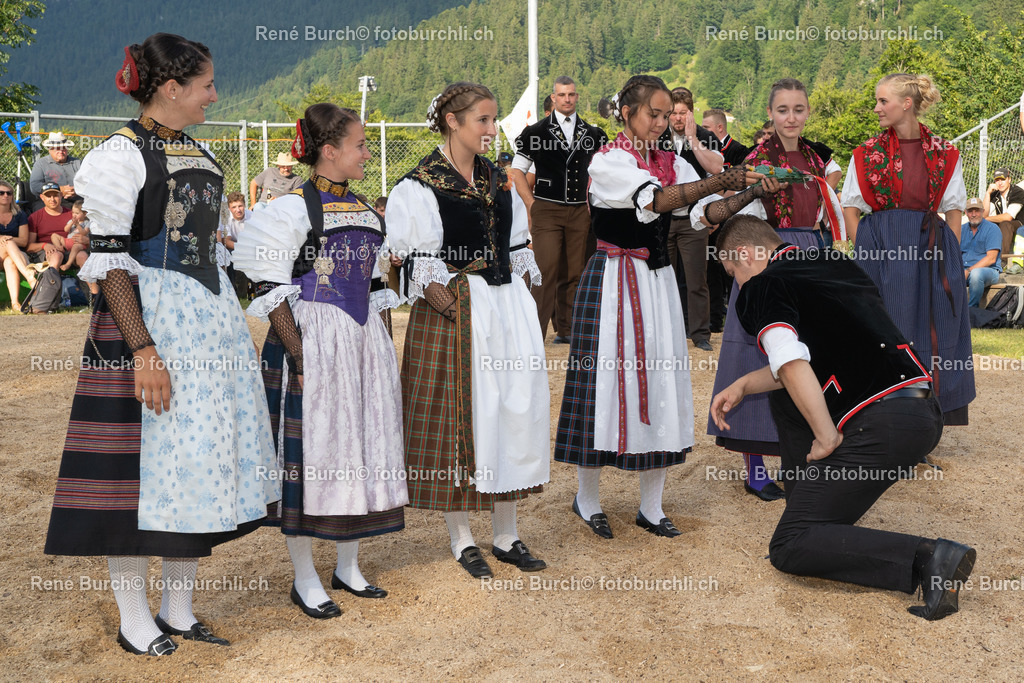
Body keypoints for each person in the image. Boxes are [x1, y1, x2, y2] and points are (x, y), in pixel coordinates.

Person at [43, 33, 278, 657]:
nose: (214, 96)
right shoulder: (120, 155)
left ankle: (177, 609)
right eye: (206, 85)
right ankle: (133, 618)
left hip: (207, 318)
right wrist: (142, 349)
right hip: (147, 324)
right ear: (171, 88)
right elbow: (111, 262)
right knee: (138, 474)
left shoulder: (196, 148)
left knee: (191, 464)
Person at [710, 215, 976, 622]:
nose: (737, 285)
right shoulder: (833, 263)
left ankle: (930, 557)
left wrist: (825, 435)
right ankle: (809, 517)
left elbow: (790, 361)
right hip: (921, 410)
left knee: (789, 545)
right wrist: (745, 384)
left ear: (745, 255)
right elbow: (814, 357)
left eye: (733, 273)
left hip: (881, 421)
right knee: (787, 400)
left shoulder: (763, 284)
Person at [554, 75, 761, 539]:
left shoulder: (672, 161)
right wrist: (718, 179)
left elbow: (701, 214)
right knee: (601, 382)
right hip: (612, 279)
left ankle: (651, 506)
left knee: (661, 378)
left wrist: (746, 194)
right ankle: (587, 498)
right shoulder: (608, 160)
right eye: (654, 113)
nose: (663, 122)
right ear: (628, 113)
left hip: (658, 282)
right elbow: (657, 199)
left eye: (667, 115)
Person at [233, 103, 408, 618]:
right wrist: (300, 354)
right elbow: (268, 286)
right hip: (312, 339)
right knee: (311, 453)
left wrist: (382, 349)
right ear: (329, 151)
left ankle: (348, 566)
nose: (367, 153)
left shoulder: (365, 209)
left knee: (359, 443)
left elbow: (375, 288)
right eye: (360, 145)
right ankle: (305, 577)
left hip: (361, 342)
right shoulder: (291, 210)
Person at [388, 82, 550, 578]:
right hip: (458, 309)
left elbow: (517, 247)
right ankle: (462, 539)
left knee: (511, 410)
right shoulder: (420, 185)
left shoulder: (499, 179)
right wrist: (459, 313)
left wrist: (517, 309)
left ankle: (507, 535)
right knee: (460, 417)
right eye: (483, 119)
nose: (491, 129)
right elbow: (418, 263)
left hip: (504, 307)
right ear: (452, 122)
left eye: (494, 119)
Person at [700, 78, 845, 502]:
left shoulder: (817, 158)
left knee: (803, 353)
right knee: (756, 352)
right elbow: (733, 217)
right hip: (767, 256)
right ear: (770, 113)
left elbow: (827, 211)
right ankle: (755, 470)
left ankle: (801, 455)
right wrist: (752, 193)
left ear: (808, 112)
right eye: (783, 110)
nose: (791, 117)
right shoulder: (756, 160)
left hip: (810, 254)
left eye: (798, 109)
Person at [841, 72, 973, 425]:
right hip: (881, 250)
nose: (876, 108)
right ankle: (884, 414)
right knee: (885, 329)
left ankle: (927, 414)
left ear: (907, 104)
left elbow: (954, 209)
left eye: (883, 101)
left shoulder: (945, 152)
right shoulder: (866, 153)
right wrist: (866, 252)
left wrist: (950, 255)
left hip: (930, 250)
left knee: (934, 327)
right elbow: (850, 208)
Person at [511, 76, 608, 344]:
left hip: (581, 210)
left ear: (577, 97)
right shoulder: (535, 132)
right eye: (562, 95)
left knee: (576, 271)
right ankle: (535, 333)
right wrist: (531, 203)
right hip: (547, 209)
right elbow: (517, 171)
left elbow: (604, 172)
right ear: (553, 98)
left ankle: (568, 330)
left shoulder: (594, 134)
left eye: (571, 94)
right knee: (545, 270)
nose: (567, 99)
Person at [663, 89, 724, 353]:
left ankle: (700, 334)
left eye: (682, 113)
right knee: (663, 278)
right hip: (662, 218)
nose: (677, 118)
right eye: (673, 113)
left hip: (693, 219)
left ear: (691, 112)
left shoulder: (706, 137)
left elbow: (716, 171)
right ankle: (667, 332)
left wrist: (692, 139)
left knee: (697, 279)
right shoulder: (656, 136)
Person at [0, 177, 35, 308]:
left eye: (9, 193)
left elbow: (24, 241)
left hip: (14, 255)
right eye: (1, 193)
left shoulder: (19, 214)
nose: (5, 195)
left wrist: (6, 238)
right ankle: (29, 276)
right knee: (8, 243)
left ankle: (15, 303)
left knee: (10, 261)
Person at [960, 197, 1001, 307]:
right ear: (966, 213)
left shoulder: (992, 229)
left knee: (976, 274)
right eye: (970, 211)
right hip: (964, 270)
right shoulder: (961, 229)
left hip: (988, 271)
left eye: (977, 210)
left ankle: (972, 310)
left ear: (983, 211)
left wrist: (968, 270)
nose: (974, 214)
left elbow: (991, 258)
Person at [30, 131, 82, 209]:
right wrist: (58, 190)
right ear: (49, 149)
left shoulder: (77, 162)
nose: (61, 151)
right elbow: (34, 186)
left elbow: (88, 182)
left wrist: (77, 190)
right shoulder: (41, 164)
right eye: (57, 148)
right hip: (49, 201)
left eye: (63, 148)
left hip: (76, 200)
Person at [26, 182, 72, 269]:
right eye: (48, 196)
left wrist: (84, 239)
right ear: (42, 197)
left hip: (69, 249)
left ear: (61, 195)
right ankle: (51, 277)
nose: (52, 199)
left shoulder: (72, 214)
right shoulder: (35, 217)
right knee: (56, 255)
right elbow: (29, 247)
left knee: (82, 255)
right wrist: (44, 245)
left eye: (55, 195)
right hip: (46, 252)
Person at [982, 167, 1024, 257]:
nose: (1000, 183)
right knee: (983, 224)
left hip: (1020, 226)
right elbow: (983, 214)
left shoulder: (1017, 192)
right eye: (997, 180)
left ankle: (1003, 260)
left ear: (1009, 179)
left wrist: (986, 219)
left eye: (1003, 179)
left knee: (1005, 224)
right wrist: (988, 194)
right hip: (1004, 225)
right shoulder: (995, 195)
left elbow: (1008, 217)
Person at [58, 200, 89, 271]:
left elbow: (84, 233)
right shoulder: (70, 221)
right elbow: (66, 230)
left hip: (79, 243)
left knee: (76, 247)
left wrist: (77, 225)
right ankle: (59, 247)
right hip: (68, 242)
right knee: (54, 236)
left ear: (85, 214)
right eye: (73, 212)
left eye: (77, 213)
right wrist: (71, 223)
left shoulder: (87, 223)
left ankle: (68, 264)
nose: (74, 215)